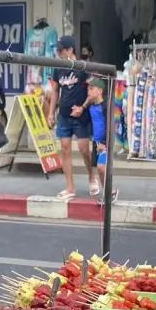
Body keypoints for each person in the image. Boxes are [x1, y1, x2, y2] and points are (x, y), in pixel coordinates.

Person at [46, 36, 97, 199]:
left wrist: (83, 107)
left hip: (80, 115)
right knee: (65, 148)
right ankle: (70, 187)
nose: (58, 53)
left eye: (61, 50)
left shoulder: (83, 67)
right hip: (64, 115)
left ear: (70, 50)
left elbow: (92, 91)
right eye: (58, 50)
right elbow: (55, 91)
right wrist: (50, 113)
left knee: (83, 148)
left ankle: (91, 176)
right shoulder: (58, 68)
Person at [86, 78, 117, 203]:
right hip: (96, 142)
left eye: (91, 89)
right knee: (100, 169)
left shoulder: (105, 106)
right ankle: (108, 193)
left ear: (99, 91)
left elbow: (109, 126)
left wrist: (104, 143)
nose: (88, 91)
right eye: (88, 89)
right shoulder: (91, 106)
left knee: (101, 168)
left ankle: (112, 191)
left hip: (105, 142)